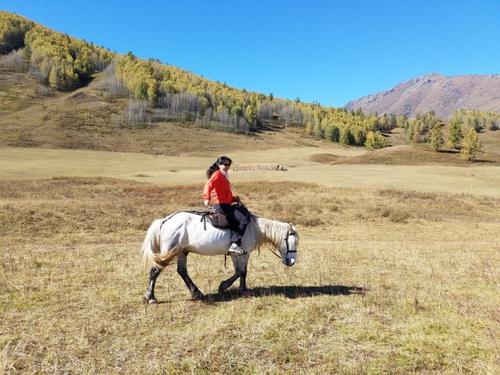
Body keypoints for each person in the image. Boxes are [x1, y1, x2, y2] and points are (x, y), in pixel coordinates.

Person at [203, 156, 249, 255]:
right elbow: (208, 185)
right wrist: (206, 198)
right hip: (221, 205)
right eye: (225, 164)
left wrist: (233, 199)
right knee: (244, 218)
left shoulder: (224, 175)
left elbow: (224, 193)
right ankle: (234, 244)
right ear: (219, 165)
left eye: (229, 164)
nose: (227, 166)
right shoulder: (218, 174)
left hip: (225, 203)